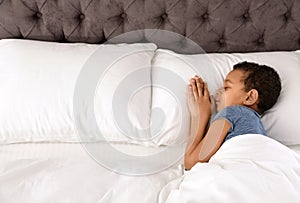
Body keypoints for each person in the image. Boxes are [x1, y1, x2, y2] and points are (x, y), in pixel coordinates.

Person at [184, 61, 281, 170]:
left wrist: (201, 116)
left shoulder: (231, 113)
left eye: (226, 87)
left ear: (250, 97)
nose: (217, 92)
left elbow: (191, 163)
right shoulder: (258, 127)